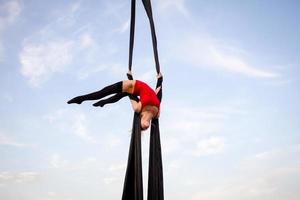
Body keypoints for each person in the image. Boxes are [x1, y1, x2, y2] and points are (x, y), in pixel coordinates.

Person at [67, 72, 162, 130]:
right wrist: (160, 81)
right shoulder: (157, 114)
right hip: (138, 87)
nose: (145, 127)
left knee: (104, 92)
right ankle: (96, 101)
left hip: (132, 86)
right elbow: (158, 97)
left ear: (139, 122)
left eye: (142, 128)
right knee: (102, 93)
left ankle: (82, 99)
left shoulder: (138, 108)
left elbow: (130, 95)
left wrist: (130, 78)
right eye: (146, 128)